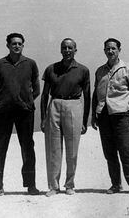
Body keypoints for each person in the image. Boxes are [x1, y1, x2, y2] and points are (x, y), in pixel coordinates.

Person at [0, 33, 40, 198]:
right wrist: (3, 103)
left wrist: (26, 102)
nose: (16, 46)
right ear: (8, 46)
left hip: (25, 112)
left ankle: (31, 185)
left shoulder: (30, 64)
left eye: (19, 43)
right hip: (4, 112)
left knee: (27, 147)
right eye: (13, 44)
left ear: (23, 45)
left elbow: (37, 89)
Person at [40, 38, 90, 197]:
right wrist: (43, 118)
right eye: (64, 47)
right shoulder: (51, 69)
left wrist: (84, 121)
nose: (67, 50)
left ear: (75, 50)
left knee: (72, 149)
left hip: (74, 106)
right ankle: (53, 186)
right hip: (54, 105)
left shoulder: (83, 70)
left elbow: (87, 97)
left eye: (70, 47)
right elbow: (44, 95)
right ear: (60, 50)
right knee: (53, 149)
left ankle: (69, 184)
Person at [91, 38, 129, 195]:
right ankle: (115, 184)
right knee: (110, 152)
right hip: (104, 116)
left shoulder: (127, 68)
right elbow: (96, 93)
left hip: (122, 115)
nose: (110, 51)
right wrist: (94, 115)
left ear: (119, 50)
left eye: (113, 48)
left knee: (127, 150)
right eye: (107, 48)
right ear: (104, 50)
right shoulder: (100, 71)